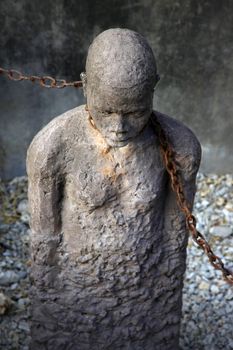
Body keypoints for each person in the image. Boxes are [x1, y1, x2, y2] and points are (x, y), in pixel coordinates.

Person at [27, 28, 201, 350]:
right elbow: (44, 240)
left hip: (145, 290)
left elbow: (175, 235)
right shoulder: (53, 147)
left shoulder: (179, 147)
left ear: (153, 89)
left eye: (134, 112)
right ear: (85, 85)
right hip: (75, 292)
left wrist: (165, 286)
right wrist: (50, 298)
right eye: (106, 111)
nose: (119, 127)